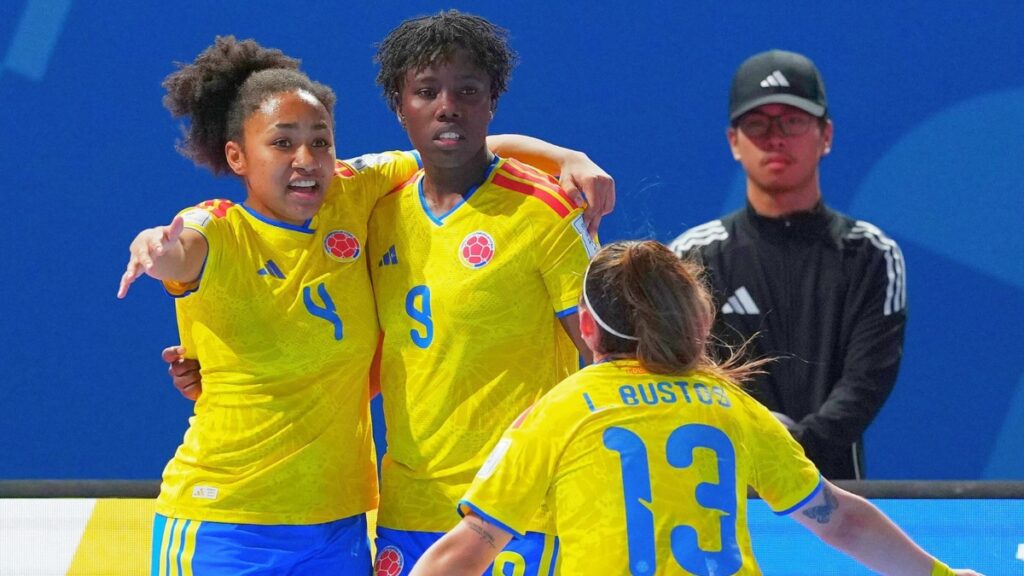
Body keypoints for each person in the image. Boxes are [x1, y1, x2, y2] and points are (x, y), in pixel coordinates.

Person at [120, 36, 611, 575]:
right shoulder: (218, 229)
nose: (305, 159)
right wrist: (154, 248)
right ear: (237, 155)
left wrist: (566, 157)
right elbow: (180, 250)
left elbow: (456, 144)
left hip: (342, 525)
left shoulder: (353, 194)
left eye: (320, 142)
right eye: (282, 143)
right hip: (228, 520)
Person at [408, 240, 978, 576]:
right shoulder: (729, 404)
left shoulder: (560, 410)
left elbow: (469, 548)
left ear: (587, 328)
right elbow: (841, 520)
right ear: (699, 321)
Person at [366, 11, 600, 575]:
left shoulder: (546, 212)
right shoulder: (375, 211)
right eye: (427, 91)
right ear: (399, 106)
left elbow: (607, 359)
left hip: (519, 512)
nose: (448, 106)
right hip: (409, 510)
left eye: (467, 91)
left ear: (492, 101)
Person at [668, 49, 907, 479]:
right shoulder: (692, 258)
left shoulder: (872, 254)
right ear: (734, 141)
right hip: (725, 489)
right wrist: (757, 444)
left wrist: (795, 449)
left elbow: (867, 381)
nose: (775, 138)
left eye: (793, 121)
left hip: (837, 491)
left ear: (826, 135)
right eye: (758, 124)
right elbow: (681, 378)